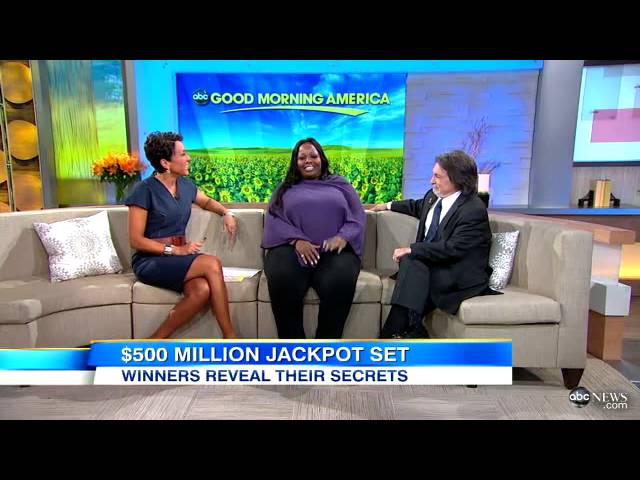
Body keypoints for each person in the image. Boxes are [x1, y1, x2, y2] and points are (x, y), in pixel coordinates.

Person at [370, 149, 495, 338]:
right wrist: (387, 205)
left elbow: (453, 248)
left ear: (457, 179)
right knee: (412, 263)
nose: (431, 181)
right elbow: (416, 206)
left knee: (411, 261)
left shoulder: (472, 209)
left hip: (457, 271)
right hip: (432, 265)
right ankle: (409, 330)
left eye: (437, 176)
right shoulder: (434, 197)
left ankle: (393, 333)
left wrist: (412, 249)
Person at [125, 131, 239, 339]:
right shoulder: (144, 190)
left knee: (202, 290)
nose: (189, 158)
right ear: (165, 163)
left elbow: (206, 202)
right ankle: (230, 338)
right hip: (150, 260)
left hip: (178, 257)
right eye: (183, 154)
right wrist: (175, 250)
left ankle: (154, 341)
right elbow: (136, 240)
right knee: (212, 263)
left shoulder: (185, 185)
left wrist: (226, 213)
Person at [261, 138, 366, 339]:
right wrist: (297, 240)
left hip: (333, 251)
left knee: (340, 281)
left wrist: (343, 236)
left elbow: (357, 215)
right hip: (290, 250)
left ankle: (325, 348)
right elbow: (273, 218)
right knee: (282, 278)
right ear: (295, 162)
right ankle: (294, 348)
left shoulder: (341, 184)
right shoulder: (284, 188)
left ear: (321, 159)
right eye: (302, 157)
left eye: (313, 156)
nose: (308, 161)